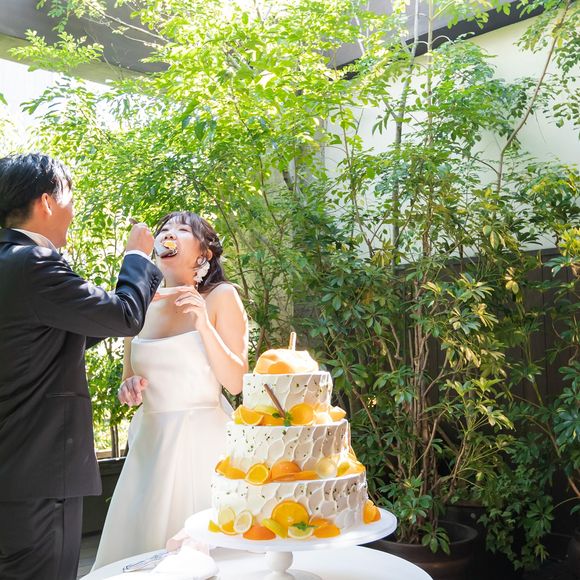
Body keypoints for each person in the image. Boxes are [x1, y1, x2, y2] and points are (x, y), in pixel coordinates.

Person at [0, 153, 163, 580]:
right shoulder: (33, 262)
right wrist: (137, 258)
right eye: (70, 198)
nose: (73, 211)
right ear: (46, 202)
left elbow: (41, 340)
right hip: (38, 472)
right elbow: (124, 316)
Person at [93, 211, 249, 569]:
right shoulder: (139, 303)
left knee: (215, 558)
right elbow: (129, 381)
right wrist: (129, 388)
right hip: (151, 448)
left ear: (203, 254)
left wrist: (202, 323)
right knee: (143, 553)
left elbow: (237, 382)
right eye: (164, 229)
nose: (169, 233)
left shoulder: (221, 296)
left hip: (206, 446)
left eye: (182, 229)